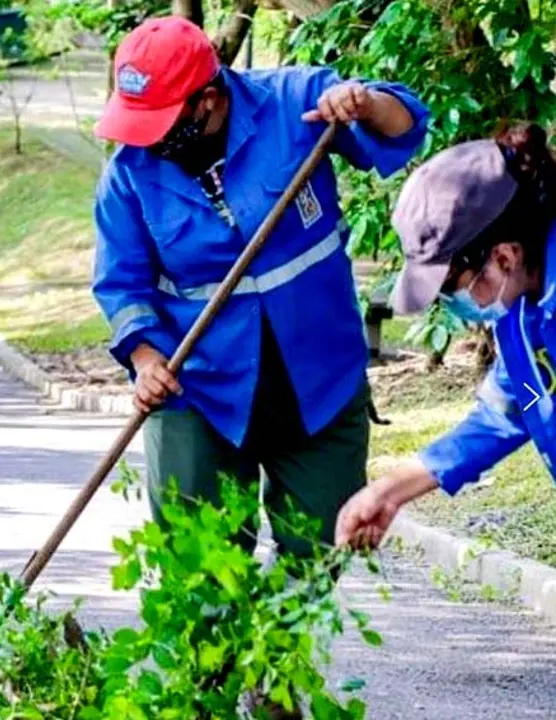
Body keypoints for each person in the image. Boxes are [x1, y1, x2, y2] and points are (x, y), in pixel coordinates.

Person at [91, 15, 429, 561]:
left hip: (320, 381)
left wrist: (363, 103)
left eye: (157, 120)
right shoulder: (128, 175)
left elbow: (405, 125)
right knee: (199, 574)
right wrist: (148, 358)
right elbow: (121, 283)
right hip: (200, 391)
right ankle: (217, 649)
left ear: (206, 98)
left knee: (318, 555)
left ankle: (271, 651)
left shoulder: (295, 104)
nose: (145, 138)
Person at [336, 123, 556, 550]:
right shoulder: (521, 323)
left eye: (447, 288)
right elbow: (506, 412)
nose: (448, 304)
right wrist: (391, 489)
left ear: (503, 257)